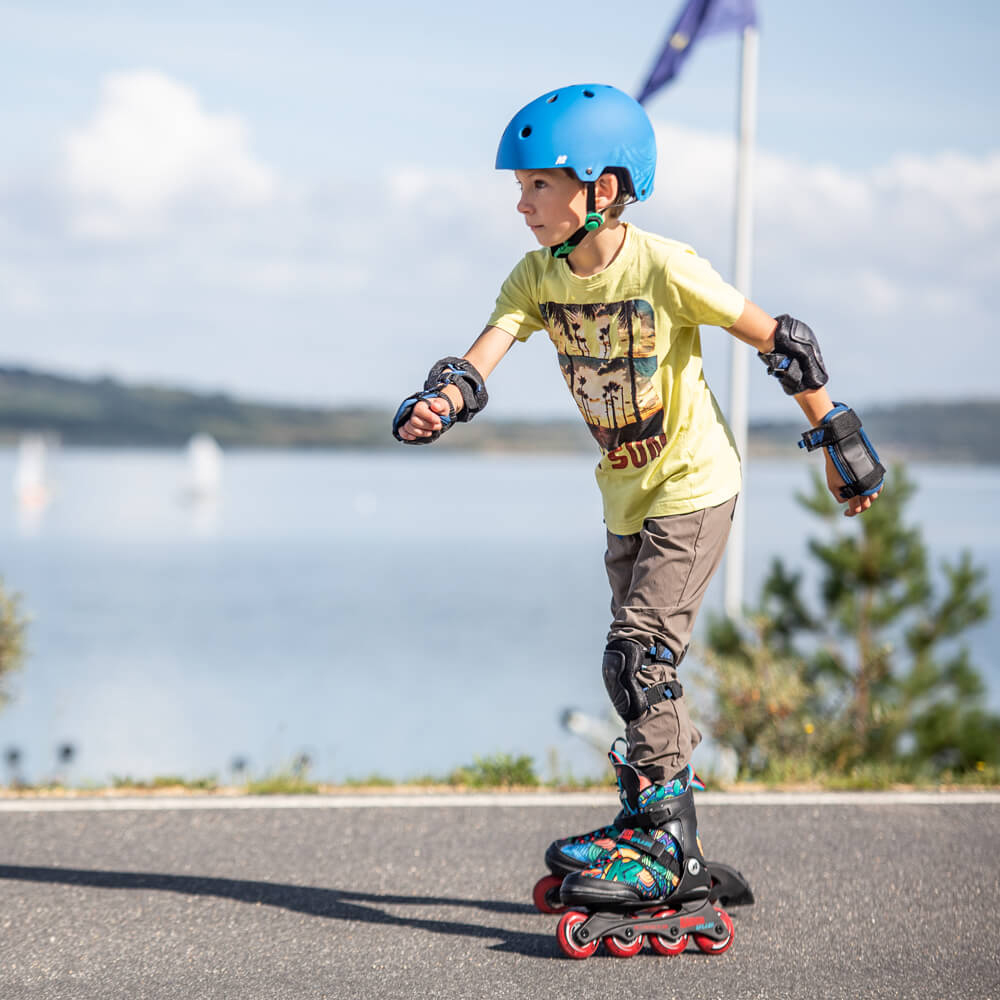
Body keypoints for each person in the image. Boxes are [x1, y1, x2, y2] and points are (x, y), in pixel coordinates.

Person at [392, 84, 883, 926]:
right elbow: (483, 357)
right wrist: (443, 398)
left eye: (538, 186)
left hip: (694, 486)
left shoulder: (664, 266)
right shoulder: (538, 276)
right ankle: (657, 822)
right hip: (625, 497)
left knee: (639, 658)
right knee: (642, 674)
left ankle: (662, 846)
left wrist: (836, 435)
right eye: (518, 187)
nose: (521, 203)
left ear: (603, 188)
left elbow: (784, 343)